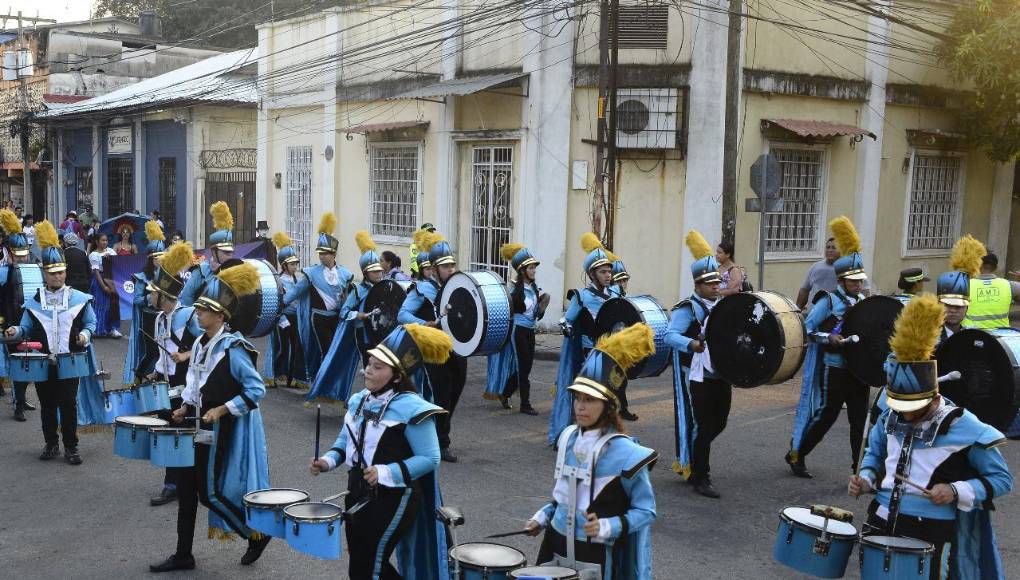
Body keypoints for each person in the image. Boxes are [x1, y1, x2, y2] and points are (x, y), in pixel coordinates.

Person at [849, 295, 1013, 580]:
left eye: (913, 410)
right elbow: (874, 457)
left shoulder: (964, 425)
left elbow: (1001, 480)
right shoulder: (891, 416)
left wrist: (955, 490)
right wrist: (865, 479)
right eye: (900, 408)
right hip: (881, 519)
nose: (905, 416)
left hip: (932, 532)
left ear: (934, 395)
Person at [149, 262, 272, 573]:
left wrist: (222, 409)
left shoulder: (234, 349)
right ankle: (182, 555)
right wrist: (184, 407)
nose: (198, 313)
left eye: (204, 309)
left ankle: (255, 534)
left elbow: (256, 390)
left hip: (221, 432)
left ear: (220, 316)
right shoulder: (201, 344)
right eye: (199, 307)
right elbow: (195, 383)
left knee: (210, 493)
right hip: (196, 426)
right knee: (187, 491)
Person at [309, 323, 450, 580]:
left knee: (370, 564)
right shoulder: (358, 399)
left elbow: (431, 457)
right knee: (360, 562)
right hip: (357, 491)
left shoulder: (413, 408)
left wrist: (386, 471)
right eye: (369, 363)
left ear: (397, 376)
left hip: (395, 497)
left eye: (377, 367)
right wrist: (327, 462)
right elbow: (345, 442)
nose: (367, 371)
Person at [525, 323, 656, 579]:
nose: (580, 407)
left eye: (589, 400)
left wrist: (608, 526)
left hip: (598, 554)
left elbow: (646, 511)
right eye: (577, 398)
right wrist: (542, 518)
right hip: (556, 543)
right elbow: (565, 497)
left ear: (608, 406)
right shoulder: (567, 438)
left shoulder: (627, 453)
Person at [5, 220, 98, 465]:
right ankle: (50, 443)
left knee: (68, 405)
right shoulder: (34, 302)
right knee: (47, 405)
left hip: (70, 361)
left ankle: (71, 446)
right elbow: (24, 328)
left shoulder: (79, 298)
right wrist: (15, 330)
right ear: (44, 273)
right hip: (43, 362)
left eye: (61, 272)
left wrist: (85, 336)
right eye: (53, 272)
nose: (58, 276)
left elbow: (91, 323)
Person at [786, 216, 870, 478]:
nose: (859, 285)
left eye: (860, 281)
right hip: (834, 368)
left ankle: (860, 469)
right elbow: (809, 329)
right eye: (854, 281)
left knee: (860, 422)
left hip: (859, 370)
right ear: (842, 281)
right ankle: (796, 454)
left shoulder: (865, 302)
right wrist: (829, 338)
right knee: (826, 416)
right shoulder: (828, 301)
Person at [134, 241, 200, 507]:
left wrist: (185, 355)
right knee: (169, 434)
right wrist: (154, 373)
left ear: (164, 296)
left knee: (181, 434)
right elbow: (163, 354)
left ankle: (181, 484)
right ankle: (174, 483)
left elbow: (206, 345)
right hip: (166, 383)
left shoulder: (188, 316)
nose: (148, 297)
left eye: (153, 293)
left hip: (185, 385)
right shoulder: (160, 318)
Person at [665, 230, 731, 498]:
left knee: (720, 422)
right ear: (697, 285)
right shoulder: (686, 309)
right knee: (703, 425)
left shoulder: (724, 306)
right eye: (709, 283)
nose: (715, 286)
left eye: (717, 282)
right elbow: (669, 335)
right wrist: (691, 344)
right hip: (697, 375)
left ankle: (694, 456)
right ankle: (700, 476)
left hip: (722, 373)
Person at [398, 232, 465, 463]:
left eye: (453, 265)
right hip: (434, 351)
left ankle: (440, 431)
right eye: (446, 267)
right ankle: (440, 440)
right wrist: (424, 323)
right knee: (441, 395)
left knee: (456, 390)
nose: (451, 269)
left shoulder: (459, 287)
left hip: (458, 348)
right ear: (434, 269)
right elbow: (403, 314)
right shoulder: (423, 289)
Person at [549, 233, 622, 444]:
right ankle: (583, 433)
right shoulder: (582, 296)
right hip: (588, 352)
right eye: (603, 272)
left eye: (609, 271)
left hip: (610, 352)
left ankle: (604, 432)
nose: (608, 275)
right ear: (592, 274)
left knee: (609, 393)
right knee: (590, 395)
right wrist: (567, 329)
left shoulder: (616, 294)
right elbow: (567, 320)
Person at [308, 230, 385, 404]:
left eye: (379, 271)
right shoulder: (358, 290)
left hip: (380, 333)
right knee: (368, 366)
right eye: (374, 272)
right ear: (366, 273)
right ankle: (365, 400)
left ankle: (378, 397)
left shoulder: (385, 288)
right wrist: (360, 315)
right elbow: (344, 312)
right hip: (362, 334)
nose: (378, 274)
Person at [282, 212, 352, 383]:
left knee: (335, 350)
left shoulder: (345, 274)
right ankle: (321, 382)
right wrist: (280, 304)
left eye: (325, 253)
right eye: (320, 253)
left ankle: (329, 382)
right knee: (325, 349)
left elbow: (349, 298)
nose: (322, 256)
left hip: (337, 318)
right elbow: (295, 291)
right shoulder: (311, 273)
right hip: (318, 318)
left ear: (333, 254)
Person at [486, 243, 547, 415]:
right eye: (531, 268)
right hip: (518, 331)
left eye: (534, 267)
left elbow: (535, 313)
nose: (534, 271)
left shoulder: (534, 288)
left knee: (525, 367)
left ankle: (505, 393)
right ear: (522, 270)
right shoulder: (513, 289)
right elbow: (508, 311)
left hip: (530, 330)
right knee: (523, 366)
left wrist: (542, 307)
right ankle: (525, 404)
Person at [0, 209, 37, 421]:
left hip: (31, 323)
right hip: (11, 323)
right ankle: (18, 405)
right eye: (18, 253)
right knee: (17, 362)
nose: (22, 256)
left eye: (25, 252)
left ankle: (21, 398)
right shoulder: (4, 272)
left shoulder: (34, 267)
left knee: (30, 362)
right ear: (10, 252)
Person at [122, 220, 167, 384]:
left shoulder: (166, 275)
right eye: (157, 258)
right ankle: (139, 375)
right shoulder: (142, 277)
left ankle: (158, 378)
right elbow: (137, 300)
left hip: (164, 317)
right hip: (148, 319)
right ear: (150, 258)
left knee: (164, 351)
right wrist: (152, 297)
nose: (161, 261)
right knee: (152, 351)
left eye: (162, 257)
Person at [263, 232, 307, 389]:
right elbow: (278, 302)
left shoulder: (299, 279)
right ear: (284, 265)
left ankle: (292, 376)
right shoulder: (279, 281)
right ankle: (277, 373)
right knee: (282, 346)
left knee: (296, 346)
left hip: (296, 318)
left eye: (296, 263)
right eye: (292, 264)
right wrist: (282, 320)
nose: (295, 266)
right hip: (282, 318)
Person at [178, 202, 235, 307]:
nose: (230, 256)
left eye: (231, 252)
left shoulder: (235, 271)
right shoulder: (201, 271)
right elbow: (186, 299)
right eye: (226, 252)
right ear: (214, 252)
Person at [965, 252, 1020, 329]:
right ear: (996, 268)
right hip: (1001, 336)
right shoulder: (1010, 285)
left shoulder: (964, 285)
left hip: (972, 334)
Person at [88, 233, 121, 338]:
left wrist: (110, 258)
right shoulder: (93, 254)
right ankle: (98, 329)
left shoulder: (111, 251)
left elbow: (118, 263)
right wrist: (103, 286)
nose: (105, 242)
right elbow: (96, 272)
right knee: (100, 305)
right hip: (99, 280)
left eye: (106, 240)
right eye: (102, 240)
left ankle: (113, 328)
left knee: (113, 305)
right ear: (97, 242)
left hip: (112, 279)